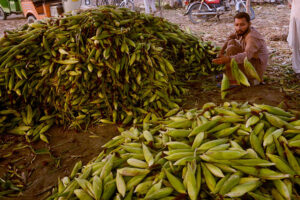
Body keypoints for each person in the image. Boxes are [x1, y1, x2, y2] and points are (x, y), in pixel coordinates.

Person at [213, 12, 269, 85]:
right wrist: (222, 50)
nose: (239, 28)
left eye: (242, 24)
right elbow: (231, 37)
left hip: (255, 72)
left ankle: (233, 80)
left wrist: (228, 59)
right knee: (231, 42)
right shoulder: (243, 31)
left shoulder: (252, 37)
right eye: (236, 25)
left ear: (249, 24)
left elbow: (247, 56)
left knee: (231, 49)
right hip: (251, 61)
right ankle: (230, 74)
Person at [287, 0, 300, 79]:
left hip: (296, 11)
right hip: (296, 12)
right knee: (296, 42)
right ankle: (298, 69)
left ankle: (298, 68)